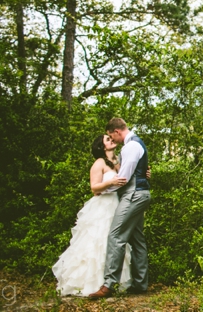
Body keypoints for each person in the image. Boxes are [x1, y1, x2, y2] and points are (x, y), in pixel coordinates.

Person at [52, 135, 133, 296]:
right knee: (98, 240)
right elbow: (94, 188)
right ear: (101, 146)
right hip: (102, 205)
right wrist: (110, 182)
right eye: (107, 139)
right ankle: (92, 282)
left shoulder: (117, 162)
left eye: (111, 138)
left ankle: (111, 281)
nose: (111, 140)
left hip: (116, 204)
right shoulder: (99, 163)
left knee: (114, 240)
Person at [89, 118, 151, 299]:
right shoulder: (136, 143)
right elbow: (135, 171)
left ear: (116, 131)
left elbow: (122, 178)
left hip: (133, 195)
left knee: (115, 236)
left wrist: (103, 189)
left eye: (110, 136)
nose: (112, 140)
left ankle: (108, 284)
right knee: (137, 238)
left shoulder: (130, 146)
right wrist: (145, 174)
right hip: (140, 193)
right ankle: (140, 284)